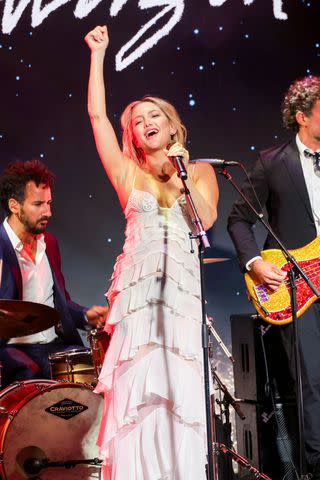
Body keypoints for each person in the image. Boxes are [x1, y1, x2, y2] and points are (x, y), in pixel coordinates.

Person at [85, 25, 219, 480]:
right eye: (137, 120)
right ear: (134, 134)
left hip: (181, 298)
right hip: (140, 300)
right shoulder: (127, 175)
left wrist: (181, 174)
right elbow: (98, 118)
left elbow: (206, 221)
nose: (145, 123)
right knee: (139, 397)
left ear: (172, 123)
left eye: (153, 115)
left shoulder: (198, 170)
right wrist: (98, 55)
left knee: (178, 396)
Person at [227, 75, 320, 478]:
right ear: (303, 117)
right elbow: (238, 219)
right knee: (313, 382)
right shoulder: (272, 162)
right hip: (296, 284)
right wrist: (255, 263)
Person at [0, 159, 108, 388]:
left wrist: (86, 316)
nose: (48, 212)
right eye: (38, 204)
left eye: (49, 203)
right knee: (29, 373)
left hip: (52, 346)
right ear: (14, 205)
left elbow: (59, 303)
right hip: (11, 349)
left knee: (96, 370)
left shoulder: (49, 243)